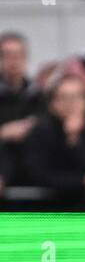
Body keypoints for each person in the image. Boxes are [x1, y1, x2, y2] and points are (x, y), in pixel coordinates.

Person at [21, 73, 85, 206]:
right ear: (53, 103)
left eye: (76, 97)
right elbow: (39, 175)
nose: (71, 104)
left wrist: (75, 141)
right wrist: (83, 179)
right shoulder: (41, 130)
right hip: (47, 208)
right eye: (64, 98)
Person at [0, 31, 41, 192]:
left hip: (35, 175)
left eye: (18, 55)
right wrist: (3, 132)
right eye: (7, 55)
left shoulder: (40, 97)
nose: (13, 61)